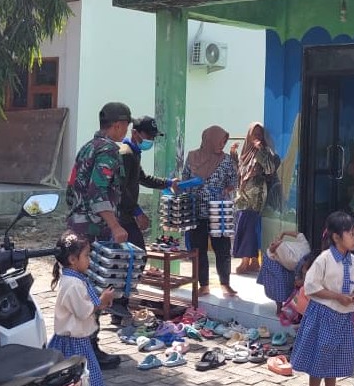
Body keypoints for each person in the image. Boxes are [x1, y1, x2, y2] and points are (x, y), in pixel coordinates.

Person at [66, 101, 132, 370]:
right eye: (126, 125)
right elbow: (98, 192)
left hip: (77, 226)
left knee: (80, 287)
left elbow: (72, 187)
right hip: (93, 230)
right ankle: (90, 348)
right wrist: (115, 226)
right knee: (94, 288)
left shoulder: (87, 147)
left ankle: (79, 344)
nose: (126, 130)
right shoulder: (108, 151)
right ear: (117, 125)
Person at [48, 233, 132, 386]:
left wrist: (102, 301)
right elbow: (83, 310)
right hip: (74, 342)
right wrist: (101, 301)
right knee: (89, 379)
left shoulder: (75, 279)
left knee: (80, 382)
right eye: (86, 256)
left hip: (76, 340)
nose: (89, 260)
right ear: (72, 259)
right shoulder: (73, 283)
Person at [290, 211, 354, 386]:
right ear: (336, 237)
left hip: (343, 316)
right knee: (319, 356)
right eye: (351, 234)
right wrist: (336, 296)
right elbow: (311, 286)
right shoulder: (324, 260)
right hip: (324, 315)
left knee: (333, 357)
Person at [182, 125, 239, 297]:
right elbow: (184, 178)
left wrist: (226, 190)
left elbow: (234, 181)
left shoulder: (227, 160)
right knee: (198, 249)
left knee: (222, 247)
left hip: (219, 209)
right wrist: (190, 185)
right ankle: (203, 284)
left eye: (224, 142)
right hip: (196, 209)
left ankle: (225, 283)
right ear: (209, 140)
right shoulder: (192, 157)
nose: (221, 145)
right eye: (219, 141)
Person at [118, 116, 178, 250]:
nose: (151, 140)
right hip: (120, 215)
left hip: (126, 213)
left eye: (153, 137)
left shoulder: (134, 152)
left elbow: (142, 178)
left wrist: (168, 183)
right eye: (149, 136)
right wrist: (137, 212)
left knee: (135, 255)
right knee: (137, 253)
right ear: (134, 133)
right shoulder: (126, 154)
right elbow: (122, 189)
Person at [232, 122, 280, 274]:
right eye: (255, 134)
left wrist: (261, 150)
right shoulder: (246, 153)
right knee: (248, 228)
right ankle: (253, 261)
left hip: (257, 197)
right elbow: (239, 174)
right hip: (243, 196)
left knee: (248, 226)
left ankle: (246, 261)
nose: (257, 137)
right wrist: (234, 156)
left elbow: (270, 169)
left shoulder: (264, 151)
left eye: (260, 135)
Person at [258, 231, 301, 315]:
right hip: (277, 272)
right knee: (280, 289)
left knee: (289, 289)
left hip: (286, 271)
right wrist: (282, 238)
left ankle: (289, 307)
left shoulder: (294, 252)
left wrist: (283, 235)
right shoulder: (273, 253)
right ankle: (279, 309)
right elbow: (271, 249)